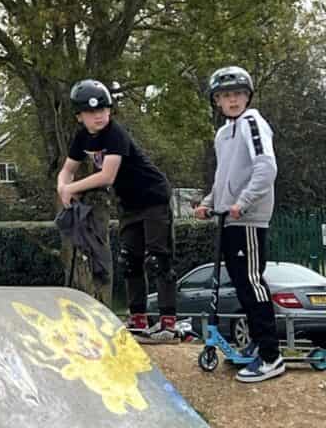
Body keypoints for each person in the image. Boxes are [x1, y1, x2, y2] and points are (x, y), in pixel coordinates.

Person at [56, 79, 178, 342]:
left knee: (158, 258)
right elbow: (67, 169)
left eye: (102, 109)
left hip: (153, 196)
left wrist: (73, 187)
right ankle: (137, 319)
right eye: (91, 112)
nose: (98, 115)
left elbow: (107, 175)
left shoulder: (115, 134)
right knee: (129, 259)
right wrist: (63, 187)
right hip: (129, 204)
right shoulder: (82, 138)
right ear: (80, 117)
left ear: (109, 111)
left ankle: (168, 323)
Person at [196, 66, 283, 383]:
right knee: (243, 285)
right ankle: (258, 346)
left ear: (247, 96)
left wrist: (242, 203)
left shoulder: (252, 122)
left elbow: (266, 167)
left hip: (248, 219)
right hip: (230, 219)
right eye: (225, 95)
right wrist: (209, 203)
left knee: (251, 282)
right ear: (217, 101)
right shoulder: (223, 134)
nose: (232, 100)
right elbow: (225, 178)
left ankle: (272, 355)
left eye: (237, 94)